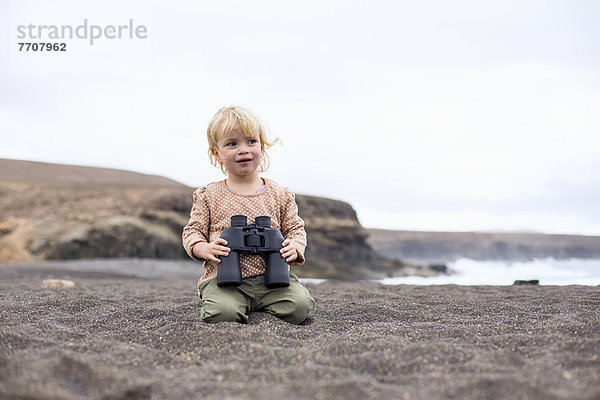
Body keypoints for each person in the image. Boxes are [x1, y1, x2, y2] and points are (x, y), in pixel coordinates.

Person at [182, 106, 315, 324]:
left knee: (299, 307)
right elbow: (192, 231)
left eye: (251, 141)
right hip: (225, 279)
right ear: (216, 153)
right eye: (232, 144)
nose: (243, 150)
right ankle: (233, 302)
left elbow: (295, 229)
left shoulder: (281, 194)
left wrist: (295, 246)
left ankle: (255, 302)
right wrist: (203, 248)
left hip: (273, 280)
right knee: (222, 314)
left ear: (262, 146)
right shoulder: (208, 195)